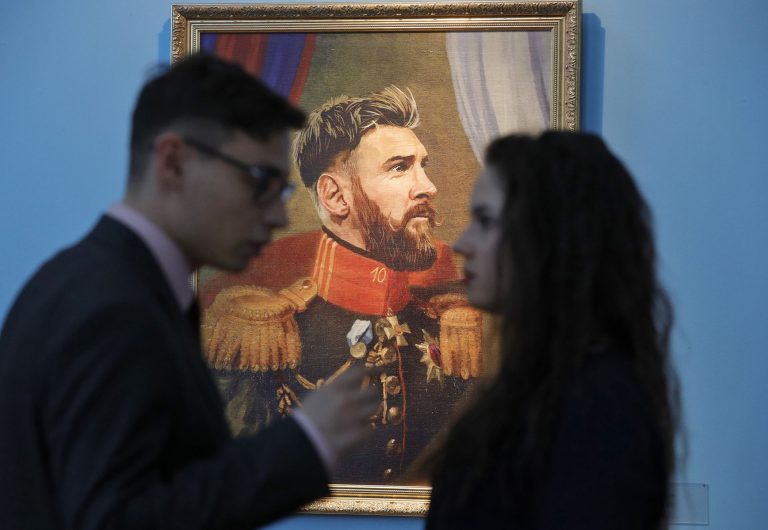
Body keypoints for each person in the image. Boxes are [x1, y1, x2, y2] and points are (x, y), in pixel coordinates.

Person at [0, 54, 381, 530]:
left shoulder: (104, 284)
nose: (278, 217)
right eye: (259, 181)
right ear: (174, 162)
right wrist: (304, 443)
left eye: (281, 191)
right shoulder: (111, 307)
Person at [200, 86, 483, 484]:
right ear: (335, 196)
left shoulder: (453, 326)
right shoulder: (262, 334)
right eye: (399, 168)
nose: (428, 187)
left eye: (423, 165)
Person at [425, 132, 680, 528]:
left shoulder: (599, 403)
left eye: (486, 221)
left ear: (550, 237)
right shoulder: (535, 386)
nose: (462, 243)